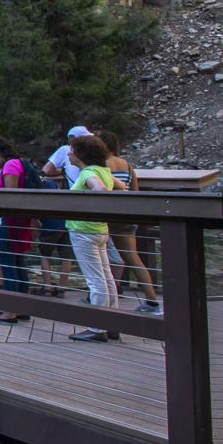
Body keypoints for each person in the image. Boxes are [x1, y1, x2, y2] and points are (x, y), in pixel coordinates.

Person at [98, 130, 160, 312]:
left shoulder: (102, 166)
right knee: (133, 258)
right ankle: (152, 300)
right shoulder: (127, 165)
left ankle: (103, 298)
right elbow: (134, 191)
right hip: (126, 217)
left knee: (102, 258)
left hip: (108, 218)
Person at [66, 134, 120, 342]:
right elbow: (122, 187)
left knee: (95, 280)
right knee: (106, 277)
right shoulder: (104, 170)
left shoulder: (89, 172)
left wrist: (91, 203)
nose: (69, 153)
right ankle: (114, 323)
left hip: (83, 230)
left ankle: (97, 328)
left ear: (80, 154)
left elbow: (100, 189)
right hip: (99, 229)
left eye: (71, 150)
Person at [0, 136, 33, 324]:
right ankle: (21, 308)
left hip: (9, 221)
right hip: (19, 221)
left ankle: (10, 311)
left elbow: (10, 196)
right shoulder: (19, 163)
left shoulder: (10, 166)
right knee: (18, 262)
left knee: (8, 262)